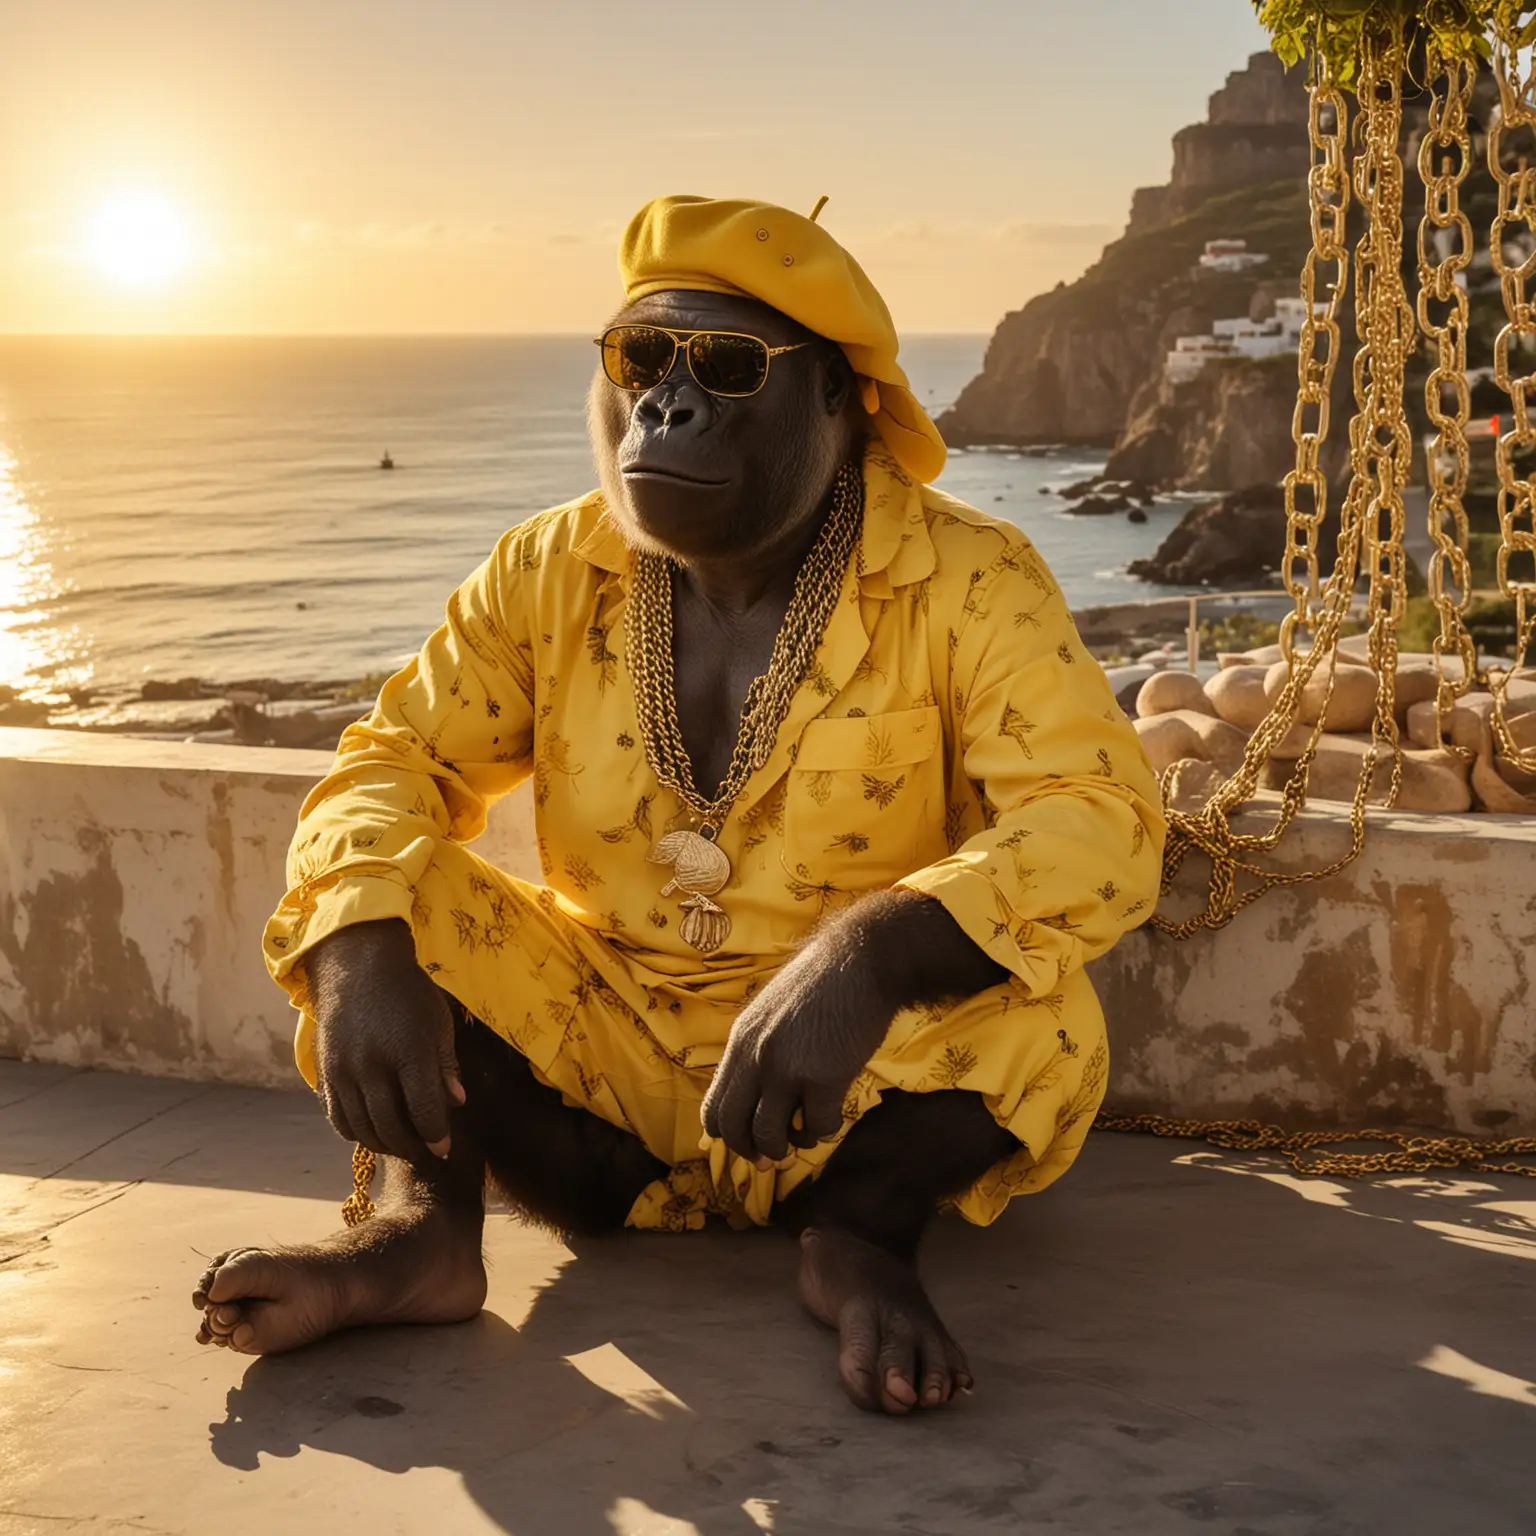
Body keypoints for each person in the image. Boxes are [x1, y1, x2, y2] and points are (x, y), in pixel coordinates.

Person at [192, 195, 1166, 1416]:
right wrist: (361, 949)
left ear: (838, 402)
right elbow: (392, 758)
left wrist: (869, 956)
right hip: (602, 1064)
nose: (668, 402)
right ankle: (419, 1236)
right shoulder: (547, 570)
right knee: (390, 897)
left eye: (727, 368)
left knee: (1049, 1017)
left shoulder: (972, 581)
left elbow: (1105, 820)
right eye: (643, 359)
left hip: (850, 1086)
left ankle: (860, 1239)